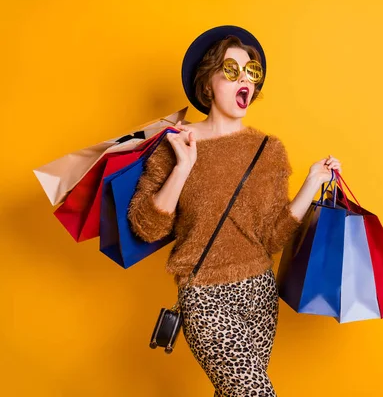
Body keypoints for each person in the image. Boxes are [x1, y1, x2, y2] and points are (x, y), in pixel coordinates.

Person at [127, 26, 342, 396]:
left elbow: (273, 237)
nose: (244, 79)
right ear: (207, 84)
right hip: (205, 298)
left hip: (259, 293)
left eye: (250, 72)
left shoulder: (269, 150)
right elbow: (146, 227)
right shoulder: (176, 144)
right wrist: (183, 167)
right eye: (231, 70)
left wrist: (311, 182)